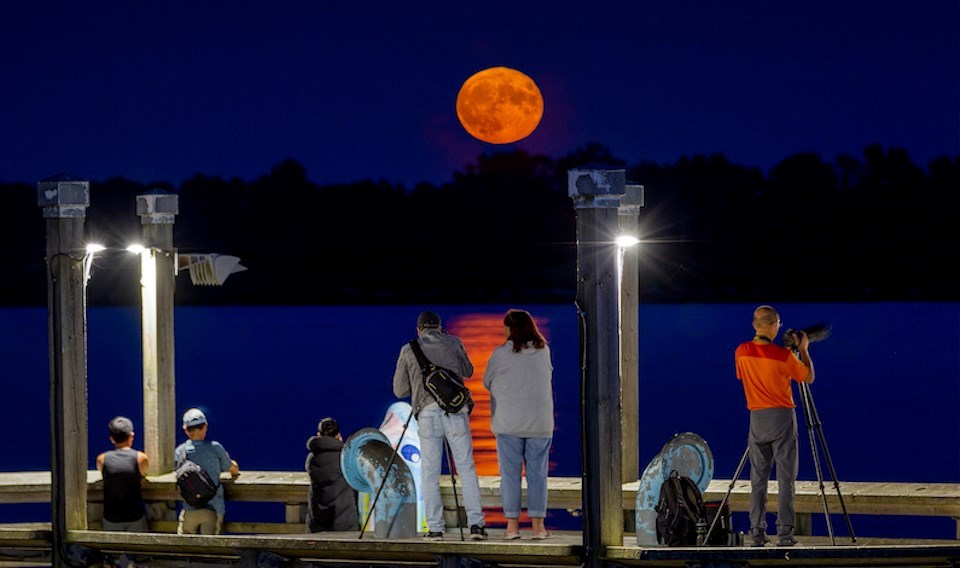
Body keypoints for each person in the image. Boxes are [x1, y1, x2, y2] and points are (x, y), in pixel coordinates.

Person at [392, 310, 487, 541]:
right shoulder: (454, 342)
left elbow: (399, 390)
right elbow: (468, 371)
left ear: (419, 329)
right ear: (440, 327)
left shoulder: (408, 349)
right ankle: (476, 525)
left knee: (430, 472)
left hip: (426, 414)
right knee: (466, 467)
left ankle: (435, 528)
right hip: (455, 411)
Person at [735, 305, 815, 547]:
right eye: (778, 323)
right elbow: (807, 377)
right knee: (785, 478)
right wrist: (803, 349)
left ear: (754, 325)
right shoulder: (783, 356)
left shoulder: (741, 351)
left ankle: (757, 533)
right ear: (773, 324)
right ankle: (785, 535)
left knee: (758, 479)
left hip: (756, 418)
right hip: (781, 417)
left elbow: (745, 374)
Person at [482, 308, 554, 540]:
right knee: (538, 476)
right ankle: (538, 528)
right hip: (540, 425)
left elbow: (486, 381)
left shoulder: (501, 353)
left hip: (508, 424)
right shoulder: (544, 352)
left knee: (510, 476)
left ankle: (512, 528)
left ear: (510, 329)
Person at [174, 408, 240, 535]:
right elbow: (233, 469)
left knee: (184, 547)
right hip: (213, 507)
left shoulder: (179, 451)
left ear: (186, 430)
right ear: (205, 427)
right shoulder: (215, 447)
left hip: (189, 508)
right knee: (211, 548)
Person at [96, 416, 150, 532]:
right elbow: (144, 473)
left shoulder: (102, 459)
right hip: (135, 516)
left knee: (112, 550)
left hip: (111, 517)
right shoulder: (141, 458)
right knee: (138, 549)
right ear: (131, 436)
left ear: (112, 439)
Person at [305, 417, 359, 532]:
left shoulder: (312, 459)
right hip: (344, 521)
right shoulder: (345, 458)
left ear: (318, 434)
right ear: (338, 435)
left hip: (318, 520)